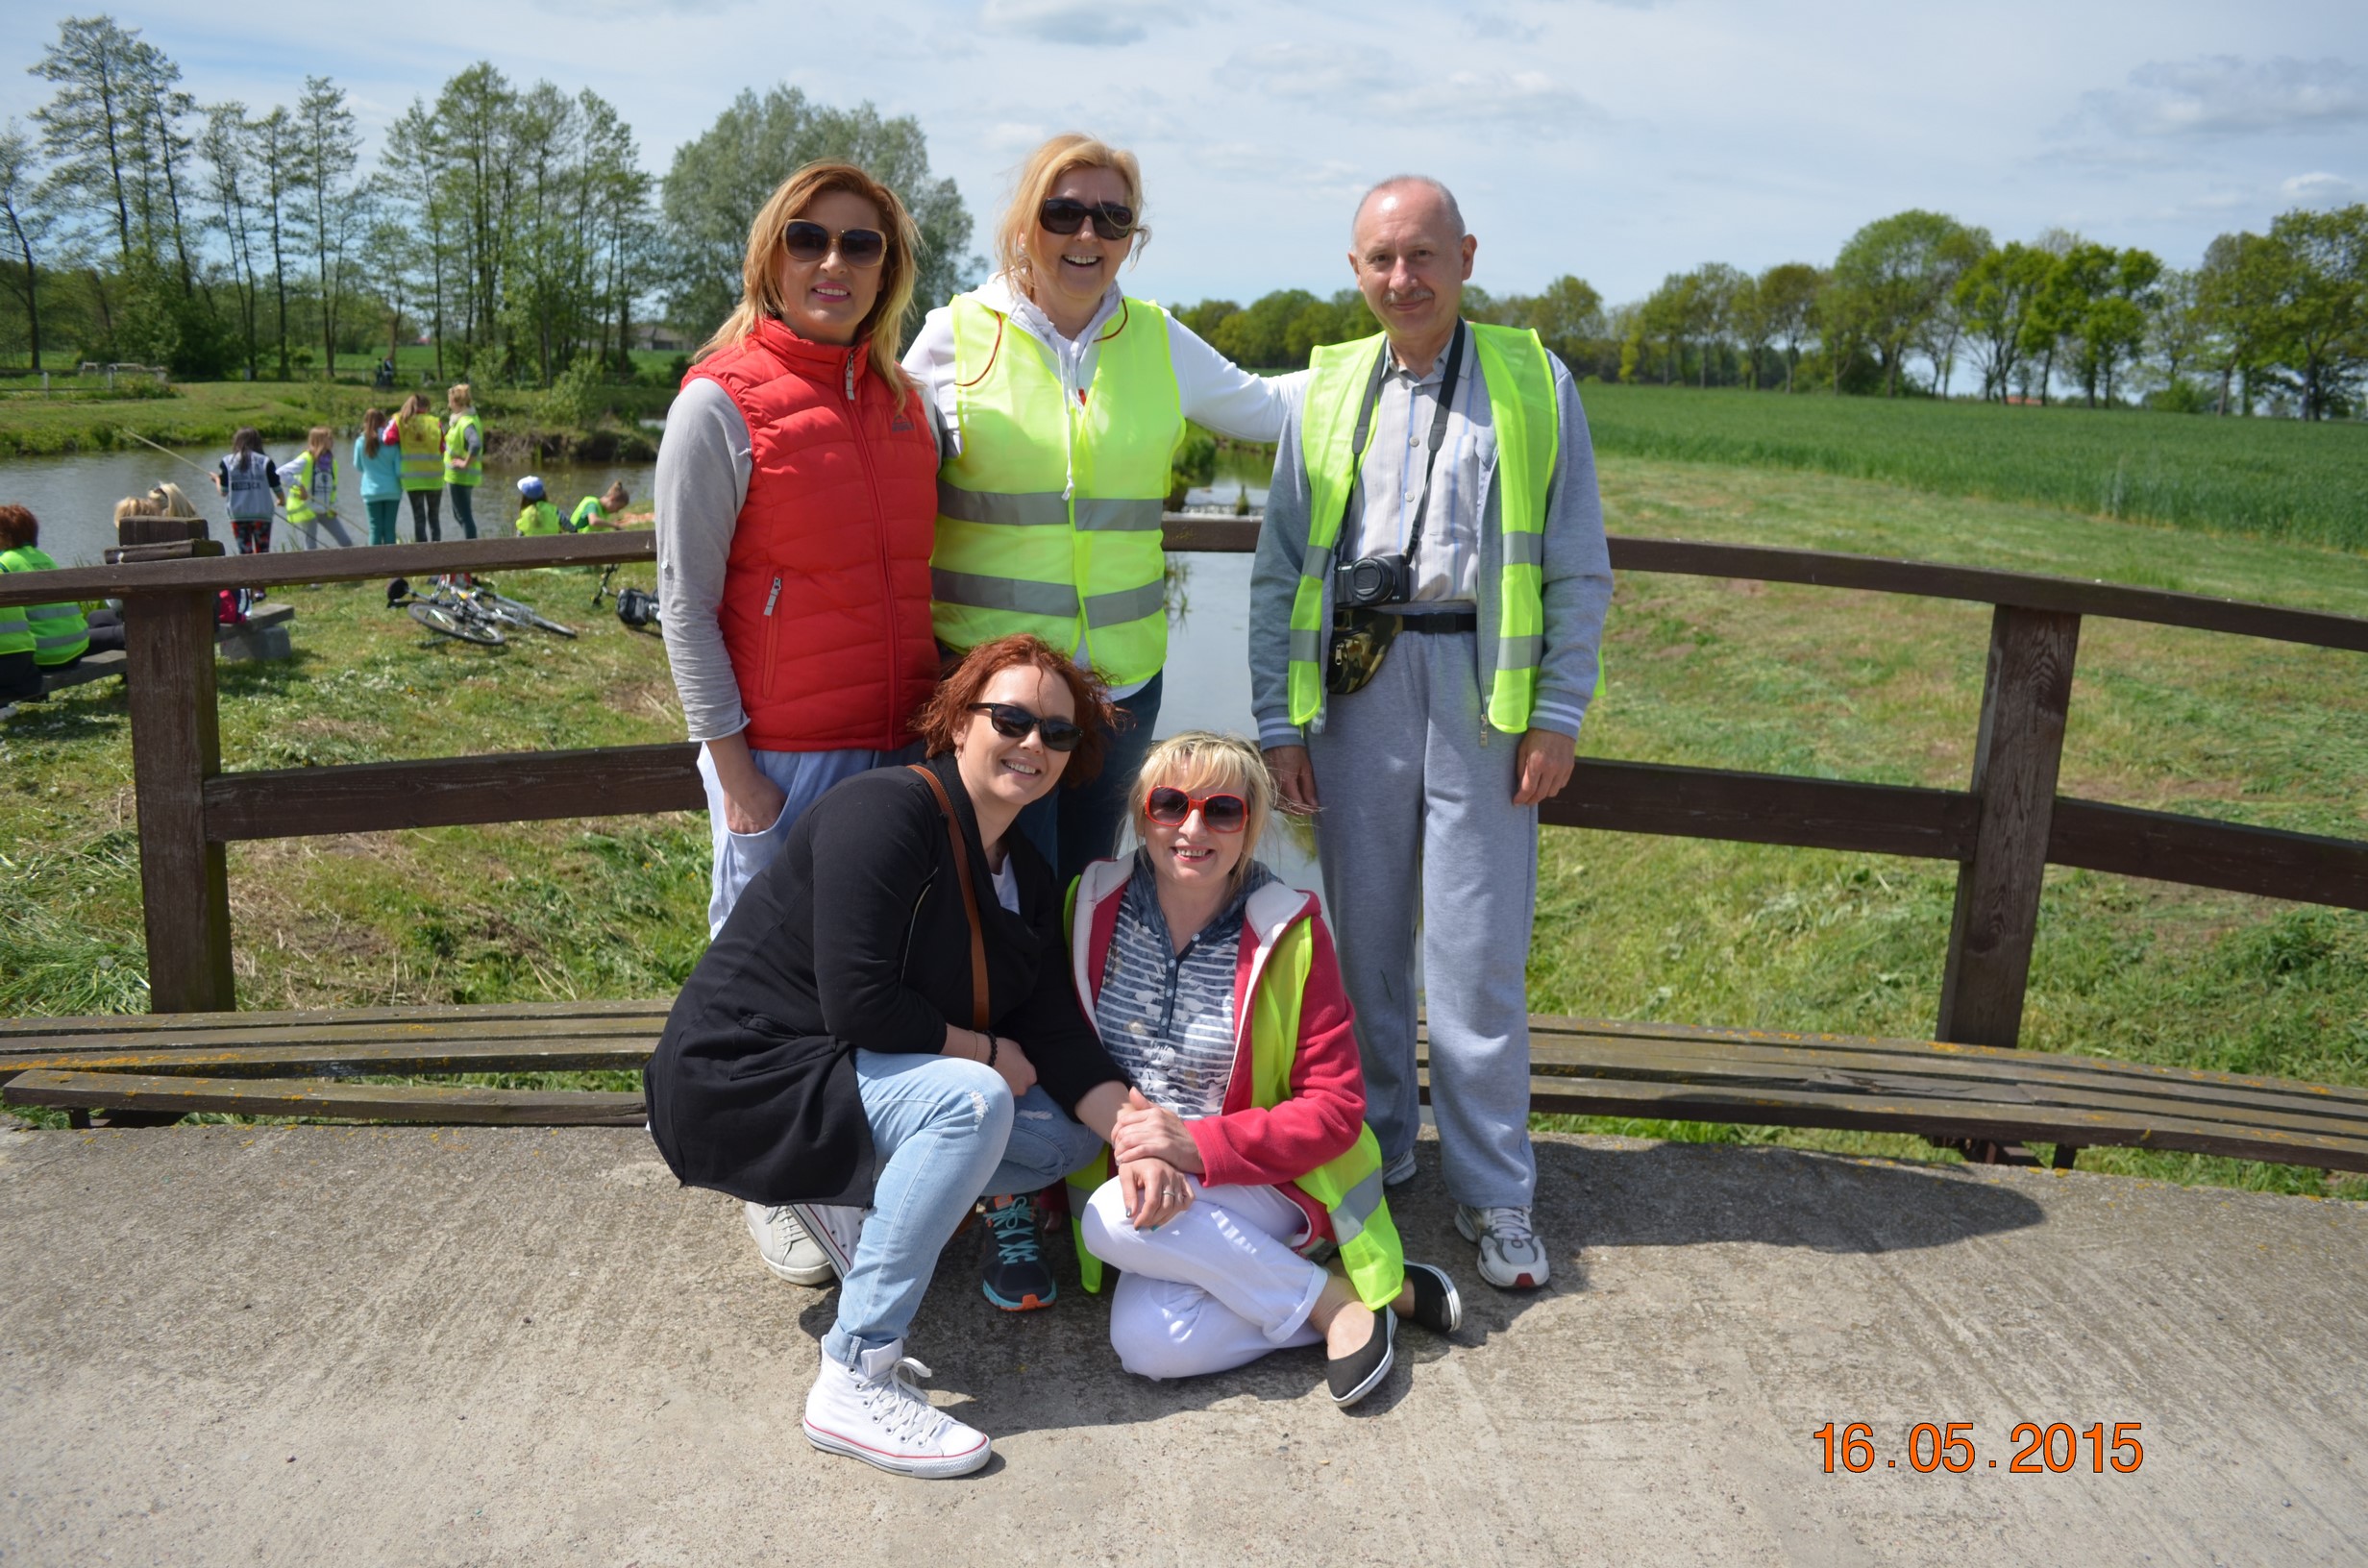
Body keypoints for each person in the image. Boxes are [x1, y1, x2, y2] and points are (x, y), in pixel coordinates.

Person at [644, 634, 1134, 1480]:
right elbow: (858, 1001)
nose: (1033, 743)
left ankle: (845, 1203)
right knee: (973, 1101)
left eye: (1057, 733)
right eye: (1011, 719)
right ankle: (855, 1373)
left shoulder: (1023, 870)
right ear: (958, 722)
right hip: (737, 1080)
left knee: (1065, 1137)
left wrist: (1142, 1132)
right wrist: (987, 1051)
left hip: (841, 1078)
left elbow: (1054, 1025)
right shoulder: (887, 811)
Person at [1249, 176, 1613, 1291]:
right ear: (1354, 269)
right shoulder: (1326, 387)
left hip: (1480, 691)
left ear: (1465, 256)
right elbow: (1277, 569)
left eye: (1421, 255)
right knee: (1362, 944)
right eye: (1380, 259)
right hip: (1355, 684)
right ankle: (1373, 1149)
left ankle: (1494, 1190)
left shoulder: (1533, 379)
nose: (1401, 279)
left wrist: (1555, 712)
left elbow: (1576, 563)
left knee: (1477, 956)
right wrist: (1278, 722)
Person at [902, 133, 1296, 888]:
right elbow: (873, 449)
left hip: (1121, 690)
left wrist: (1396, 357)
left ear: (1131, 237)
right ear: (1027, 223)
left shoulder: (1156, 338)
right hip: (993, 696)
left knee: (1083, 889)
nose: (1088, 234)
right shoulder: (957, 335)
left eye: (1113, 219)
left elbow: (1271, 407)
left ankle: (1075, 976)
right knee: (990, 887)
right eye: (1065, 213)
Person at [1065, 732, 1463, 1406]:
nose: (1193, 829)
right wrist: (1144, 1149)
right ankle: (1354, 1293)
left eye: (1222, 810)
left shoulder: (1291, 931)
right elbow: (1065, 1049)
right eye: (1170, 804)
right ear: (1141, 814)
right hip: (1151, 1185)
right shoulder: (1090, 905)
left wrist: (1195, 1144)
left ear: (1250, 828)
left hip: (1264, 1177)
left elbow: (1336, 1109)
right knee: (1148, 1345)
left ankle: (1338, 1309)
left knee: (1110, 1218)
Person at [655, 159, 942, 937]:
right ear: (769, 258)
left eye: (861, 245)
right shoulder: (717, 405)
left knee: (883, 969)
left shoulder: (913, 408)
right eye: (807, 239)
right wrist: (738, 777)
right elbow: (685, 608)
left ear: (887, 270)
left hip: (907, 755)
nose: (833, 262)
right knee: (765, 981)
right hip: (782, 763)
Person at [0, 505, 121, 691]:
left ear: (5, 536)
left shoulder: (5, 563)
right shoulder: (45, 558)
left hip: (42, 656)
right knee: (100, 621)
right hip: (75, 650)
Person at [213, 427, 284, 555]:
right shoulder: (265, 461)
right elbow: (276, 486)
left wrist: (217, 479)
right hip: (262, 514)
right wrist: (281, 500)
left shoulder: (227, 462)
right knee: (263, 552)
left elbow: (223, 491)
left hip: (238, 514)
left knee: (245, 553)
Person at [284, 428, 354, 549]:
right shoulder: (306, 459)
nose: (332, 441)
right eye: (329, 438)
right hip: (308, 509)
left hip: (326, 509)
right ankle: (311, 562)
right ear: (319, 441)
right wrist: (300, 487)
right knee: (311, 546)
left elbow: (332, 488)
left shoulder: (332, 462)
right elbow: (282, 473)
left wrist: (333, 505)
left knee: (346, 542)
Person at [392, 393, 445, 542]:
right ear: (427, 407)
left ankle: (421, 551)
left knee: (419, 518)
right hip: (434, 478)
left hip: (413, 479)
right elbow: (443, 447)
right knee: (434, 517)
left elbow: (388, 438)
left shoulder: (401, 420)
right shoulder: (435, 422)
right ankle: (438, 549)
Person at [353, 410, 405, 547]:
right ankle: (391, 559)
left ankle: (373, 559)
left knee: (375, 529)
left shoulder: (360, 442)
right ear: (384, 423)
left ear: (365, 423)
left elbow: (358, 466)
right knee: (389, 530)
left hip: (371, 491)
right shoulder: (392, 442)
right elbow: (399, 470)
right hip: (392, 490)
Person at [443, 384, 484, 540]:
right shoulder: (470, 419)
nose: (449, 405)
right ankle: (471, 547)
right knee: (462, 515)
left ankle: (471, 549)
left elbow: (475, 444)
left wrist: (465, 463)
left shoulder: (465, 422)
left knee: (463, 516)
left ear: (456, 402)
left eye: (450, 401)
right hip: (463, 476)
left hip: (459, 476)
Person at [569, 481, 638, 531]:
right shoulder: (592, 504)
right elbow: (593, 521)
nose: (616, 511)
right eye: (618, 508)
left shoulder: (604, 513)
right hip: (573, 541)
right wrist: (614, 525)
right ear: (612, 499)